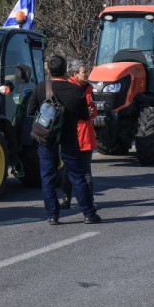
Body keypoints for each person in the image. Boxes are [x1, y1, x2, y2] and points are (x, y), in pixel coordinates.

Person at [27, 54, 100, 225]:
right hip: (69, 137)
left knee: (47, 177)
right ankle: (89, 214)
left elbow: (30, 111)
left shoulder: (41, 88)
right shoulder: (75, 90)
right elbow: (84, 116)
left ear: (48, 70)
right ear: (66, 69)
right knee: (78, 175)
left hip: (46, 137)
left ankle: (52, 215)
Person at [60, 61, 97, 209]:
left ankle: (90, 201)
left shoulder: (89, 88)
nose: (86, 74)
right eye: (83, 72)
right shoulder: (68, 89)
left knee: (86, 170)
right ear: (75, 74)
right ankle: (66, 198)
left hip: (86, 135)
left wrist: (90, 113)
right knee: (68, 169)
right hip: (72, 133)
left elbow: (93, 110)